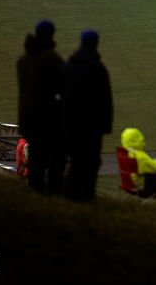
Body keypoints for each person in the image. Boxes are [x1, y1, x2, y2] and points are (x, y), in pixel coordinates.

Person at [62, 30, 113, 201]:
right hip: (92, 128)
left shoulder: (68, 66)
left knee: (75, 162)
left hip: (70, 125)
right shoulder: (98, 68)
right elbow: (105, 100)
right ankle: (86, 198)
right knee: (91, 163)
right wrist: (106, 126)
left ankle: (70, 197)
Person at [17, 20, 66, 195]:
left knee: (36, 159)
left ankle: (35, 193)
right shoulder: (51, 59)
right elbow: (61, 89)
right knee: (57, 159)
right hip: (48, 120)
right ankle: (53, 194)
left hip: (27, 119)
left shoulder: (23, 60)